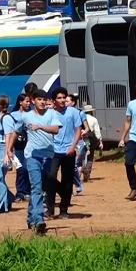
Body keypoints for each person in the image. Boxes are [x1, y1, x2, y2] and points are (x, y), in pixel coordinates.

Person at [6, 89, 61, 234]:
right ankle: (38, 219)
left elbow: (56, 130)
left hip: (48, 156)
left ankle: (31, 217)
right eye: (39, 100)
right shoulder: (25, 117)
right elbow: (15, 132)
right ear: (33, 100)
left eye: (44, 99)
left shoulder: (51, 114)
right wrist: (9, 149)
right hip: (32, 156)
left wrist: (41, 127)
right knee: (36, 187)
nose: (42, 102)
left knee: (41, 188)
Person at [49, 87, 81, 219]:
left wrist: (73, 147)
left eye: (64, 98)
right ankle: (50, 210)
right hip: (53, 151)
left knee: (67, 180)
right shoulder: (49, 113)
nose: (62, 100)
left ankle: (64, 210)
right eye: (59, 98)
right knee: (50, 177)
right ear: (54, 100)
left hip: (68, 150)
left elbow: (78, 130)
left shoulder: (73, 112)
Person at [0, 94, 14, 214]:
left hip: (2, 148)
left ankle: (1, 204)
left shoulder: (6, 118)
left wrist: (6, 153)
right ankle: (8, 198)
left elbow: (8, 135)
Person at [82, 104, 103, 181]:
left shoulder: (81, 118)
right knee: (90, 157)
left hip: (81, 139)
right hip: (91, 139)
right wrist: (100, 141)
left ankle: (82, 169)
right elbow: (97, 132)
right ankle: (87, 173)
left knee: (82, 156)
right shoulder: (94, 119)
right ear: (91, 111)